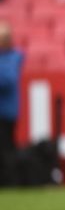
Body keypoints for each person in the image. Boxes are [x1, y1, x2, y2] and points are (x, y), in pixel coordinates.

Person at [0, 21, 23, 187]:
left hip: (6, 112)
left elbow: (8, 80)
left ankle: (11, 182)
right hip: (6, 110)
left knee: (7, 150)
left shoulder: (13, 57)